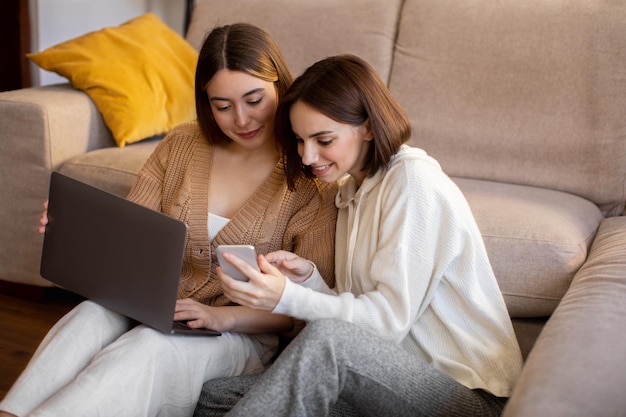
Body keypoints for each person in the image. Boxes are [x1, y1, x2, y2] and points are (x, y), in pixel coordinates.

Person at [0, 24, 337, 417]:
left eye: (254, 99)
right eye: (223, 106)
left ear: (280, 85)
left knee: (147, 347)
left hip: (239, 333)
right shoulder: (182, 144)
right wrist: (77, 231)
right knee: (90, 315)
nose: (242, 119)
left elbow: (303, 311)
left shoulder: (311, 180)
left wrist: (217, 315)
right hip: (157, 304)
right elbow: (133, 234)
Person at [197, 54, 524, 417]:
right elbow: (358, 314)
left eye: (323, 139)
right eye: (300, 140)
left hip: (463, 398)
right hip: (379, 385)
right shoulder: (350, 193)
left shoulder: (412, 184)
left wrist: (287, 298)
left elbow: (383, 327)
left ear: (368, 127)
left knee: (328, 344)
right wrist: (309, 282)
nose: (307, 156)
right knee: (217, 397)